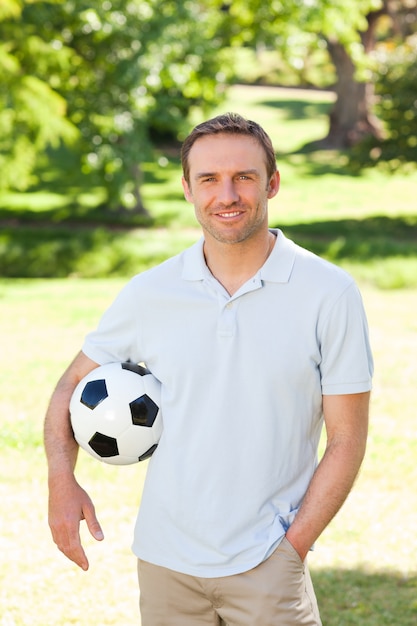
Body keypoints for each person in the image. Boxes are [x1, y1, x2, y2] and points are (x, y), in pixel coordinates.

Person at [44, 112, 373, 625]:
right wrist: (61, 482)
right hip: (163, 562)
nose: (228, 195)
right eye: (209, 180)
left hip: (268, 563)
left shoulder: (329, 294)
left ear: (273, 182)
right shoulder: (151, 292)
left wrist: (292, 548)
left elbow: (348, 439)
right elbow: (70, 386)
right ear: (187, 189)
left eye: (244, 176)